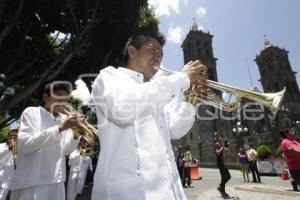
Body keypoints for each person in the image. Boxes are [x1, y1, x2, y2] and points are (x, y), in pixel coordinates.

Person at [91, 32, 207, 200]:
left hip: (170, 191)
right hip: (129, 193)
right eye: (153, 50)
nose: (158, 57)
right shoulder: (110, 77)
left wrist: (191, 101)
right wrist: (180, 79)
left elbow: (175, 130)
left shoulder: (155, 91)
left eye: (161, 54)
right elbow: (122, 108)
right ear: (132, 51)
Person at [10, 81, 84, 200]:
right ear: (46, 97)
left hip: (57, 181)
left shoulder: (64, 119)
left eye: (66, 98)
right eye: (59, 95)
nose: (63, 101)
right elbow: (24, 146)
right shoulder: (31, 112)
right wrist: (60, 128)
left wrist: (76, 134)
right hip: (32, 181)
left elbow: (65, 150)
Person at [0, 130, 17, 200]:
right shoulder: (1, 146)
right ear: (7, 137)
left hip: (8, 177)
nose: (12, 138)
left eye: (15, 136)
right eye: (11, 136)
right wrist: (8, 149)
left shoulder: (20, 148)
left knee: (2, 195)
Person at [215, 134, 231, 199]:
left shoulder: (222, 145)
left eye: (222, 138)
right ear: (218, 139)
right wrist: (222, 147)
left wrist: (229, 146)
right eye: (221, 137)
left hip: (223, 162)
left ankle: (220, 187)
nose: (222, 139)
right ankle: (222, 191)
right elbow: (217, 152)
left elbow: (228, 152)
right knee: (223, 177)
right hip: (219, 162)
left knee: (228, 176)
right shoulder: (216, 145)